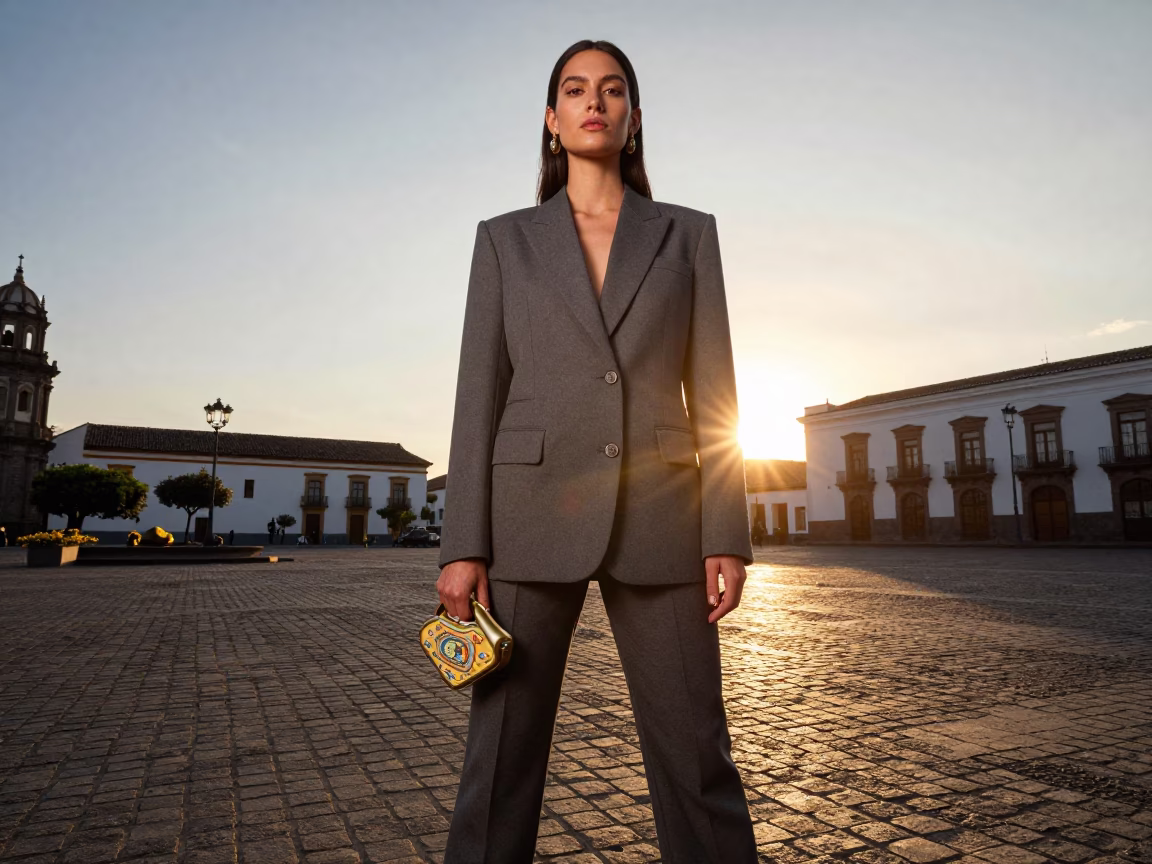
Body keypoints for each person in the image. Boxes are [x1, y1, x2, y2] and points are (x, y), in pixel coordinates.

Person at [436, 40, 756, 864]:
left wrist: (726, 529)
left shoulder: (689, 236)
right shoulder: (504, 240)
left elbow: (716, 392)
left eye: (612, 90)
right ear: (551, 119)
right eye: (575, 90)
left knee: (698, 758)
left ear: (635, 117)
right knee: (498, 760)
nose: (594, 102)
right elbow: (479, 395)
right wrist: (464, 545)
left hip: (664, 517)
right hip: (527, 517)